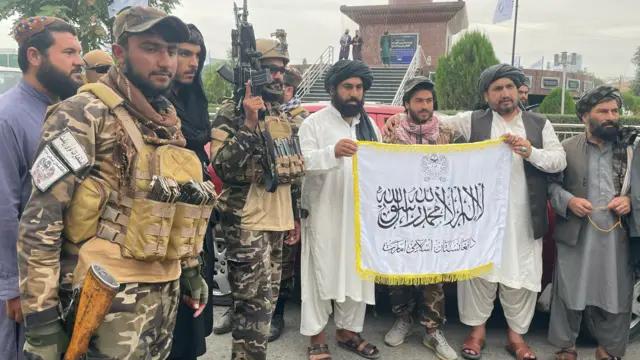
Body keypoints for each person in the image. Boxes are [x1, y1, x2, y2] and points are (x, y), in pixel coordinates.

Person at [17, 7, 208, 359]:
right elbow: (40, 221)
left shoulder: (166, 118)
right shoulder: (82, 113)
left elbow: (178, 202)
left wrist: (192, 267)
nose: (165, 60)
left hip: (162, 292)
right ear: (120, 53)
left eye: (172, 50)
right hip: (104, 299)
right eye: (151, 48)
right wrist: (41, 318)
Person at [382, 64, 567, 360]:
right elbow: (430, 118)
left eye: (509, 87)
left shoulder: (538, 124)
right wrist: (397, 117)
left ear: (518, 90)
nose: (504, 93)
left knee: (521, 276)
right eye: (497, 89)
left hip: (524, 218)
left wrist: (529, 150)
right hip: (481, 218)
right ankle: (476, 333)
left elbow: (558, 161)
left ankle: (516, 338)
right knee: (480, 274)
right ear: (486, 95)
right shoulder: (473, 121)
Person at [210, 37, 303, 360]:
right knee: (250, 308)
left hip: (276, 222)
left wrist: (293, 215)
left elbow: (287, 172)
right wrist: (249, 124)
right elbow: (221, 165)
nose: (278, 76)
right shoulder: (232, 111)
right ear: (254, 72)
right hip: (246, 221)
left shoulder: (280, 113)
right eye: (271, 70)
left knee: (266, 306)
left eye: (281, 70)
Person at [0, 16, 82, 360]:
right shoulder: (9, 117)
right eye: (68, 52)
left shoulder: (68, 113)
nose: (79, 60)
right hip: (25, 282)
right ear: (34, 56)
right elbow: (4, 208)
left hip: (63, 274)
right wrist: (12, 287)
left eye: (79, 51)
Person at [298, 59, 382, 360]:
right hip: (324, 213)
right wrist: (331, 152)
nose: (354, 93)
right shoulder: (314, 123)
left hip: (359, 216)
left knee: (355, 274)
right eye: (348, 86)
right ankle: (316, 336)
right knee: (320, 272)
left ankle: (348, 332)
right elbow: (302, 164)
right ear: (333, 88)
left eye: (359, 87)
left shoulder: (369, 126)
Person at [548, 86, 634, 360]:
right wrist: (569, 201)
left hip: (618, 237)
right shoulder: (566, 149)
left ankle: (608, 349)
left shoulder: (631, 148)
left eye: (615, 111)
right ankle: (566, 346)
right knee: (570, 288)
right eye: (603, 111)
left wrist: (631, 200)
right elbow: (550, 187)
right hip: (578, 234)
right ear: (585, 117)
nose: (611, 116)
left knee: (616, 293)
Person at [382, 76, 462, 360]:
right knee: (399, 271)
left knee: (433, 275)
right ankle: (403, 319)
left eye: (428, 100)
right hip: (401, 215)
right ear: (406, 104)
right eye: (418, 100)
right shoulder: (390, 132)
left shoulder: (448, 131)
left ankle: (432, 330)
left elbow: (464, 168)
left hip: (435, 215)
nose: (425, 105)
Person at [166, 24, 214, 360]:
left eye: (197, 55)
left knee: (191, 325)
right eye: (184, 53)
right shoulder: (154, 106)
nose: (192, 62)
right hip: (162, 225)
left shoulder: (194, 100)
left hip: (195, 223)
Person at [269, 65, 310, 342]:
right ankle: (238, 310)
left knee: (283, 262)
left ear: (288, 89)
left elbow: (301, 166)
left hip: (290, 197)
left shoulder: (301, 119)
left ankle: (277, 314)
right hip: (260, 195)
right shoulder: (264, 112)